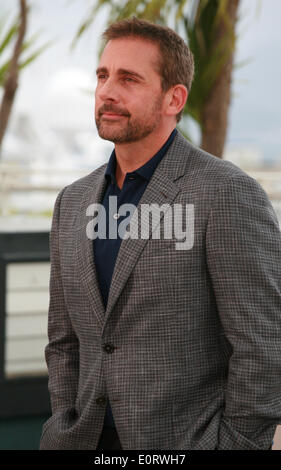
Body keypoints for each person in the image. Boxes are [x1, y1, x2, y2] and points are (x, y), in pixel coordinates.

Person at [40, 17, 281, 450]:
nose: (107, 91)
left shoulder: (225, 192)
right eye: (102, 75)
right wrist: (63, 417)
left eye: (128, 79)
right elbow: (63, 339)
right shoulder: (71, 203)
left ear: (174, 98)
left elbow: (264, 345)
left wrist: (236, 444)